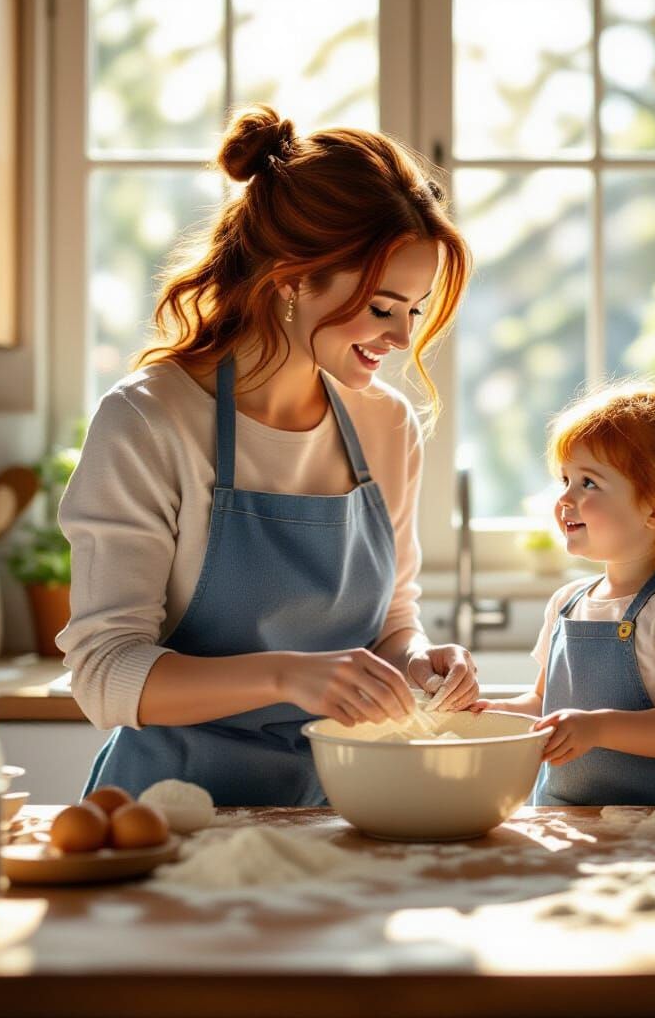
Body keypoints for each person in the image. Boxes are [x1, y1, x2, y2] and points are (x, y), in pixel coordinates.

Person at [56, 104, 480, 806]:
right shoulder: (149, 420)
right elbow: (105, 671)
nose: (404, 338)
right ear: (291, 277)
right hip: (170, 813)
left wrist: (421, 664)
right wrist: (288, 676)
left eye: (416, 307)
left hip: (338, 808)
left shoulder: (384, 424)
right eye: (382, 308)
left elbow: (392, 626)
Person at [470, 381, 655, 805]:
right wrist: (487, 715)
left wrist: (598, 727)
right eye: (565, 479)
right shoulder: (568, 603)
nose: (565, 499)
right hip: (569, 821)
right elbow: (543, 703)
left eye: (588, 483)